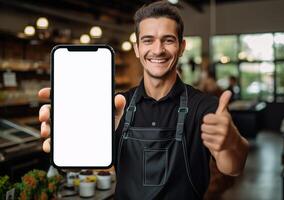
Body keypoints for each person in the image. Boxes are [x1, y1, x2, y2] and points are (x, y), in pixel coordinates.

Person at [39, 1, 249, 199]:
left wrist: (232, 142)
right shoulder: (117, 105)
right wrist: (72, 142)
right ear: (137, 48)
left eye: (168, 40)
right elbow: (89, 165)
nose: (158, 50)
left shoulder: (204, 107)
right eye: (148, 40)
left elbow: (232, 167)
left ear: (182, 47)